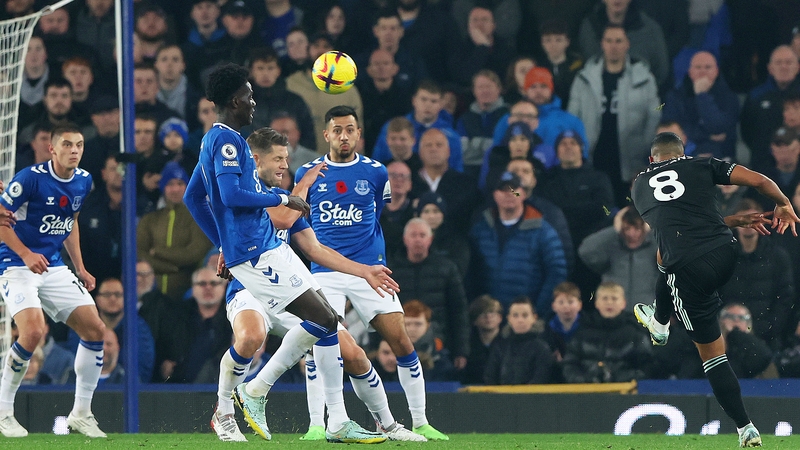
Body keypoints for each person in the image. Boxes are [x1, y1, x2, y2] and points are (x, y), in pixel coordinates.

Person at [182, 65, 383, 444]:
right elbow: (230, 197)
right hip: (256, 252)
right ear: (233, 101)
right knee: (321, 320)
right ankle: (254, 391)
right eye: (248, 96)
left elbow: (193, 197)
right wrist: (282, 197)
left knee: (328, 321)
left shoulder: (217, 141)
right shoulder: (227, 144)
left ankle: (335, 421)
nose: (253, 103)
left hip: (266, 246)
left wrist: (223, 242)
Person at [215, 126, 423, 443]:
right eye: (279, 158)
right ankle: (226, 411)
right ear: (256, 159)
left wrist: (364, 270)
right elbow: (280, 217)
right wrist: (303, 184)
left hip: (285, 288)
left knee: (351, 351)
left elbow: (315, 249)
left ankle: (385, 424)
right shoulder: (249, 194)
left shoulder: (286, 199)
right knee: (252, 336)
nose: (286, 165)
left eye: (287, 158)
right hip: (249, 290)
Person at [631, 131, 800, 448]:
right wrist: (783, 203)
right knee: (668, 259)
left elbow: (676, 228)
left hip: (686, 267)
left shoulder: (639, 184)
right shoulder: (702, 164)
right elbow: (759, 180)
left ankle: (746, 427)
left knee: (712, 355)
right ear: (683, 153)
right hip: (725, 253)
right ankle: (661, 320)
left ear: (652, 159)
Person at [295, 105, 450, 441]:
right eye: (337, 130)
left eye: (350, 129)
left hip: (370, 269)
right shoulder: (307, 173)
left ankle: (421, 421)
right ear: (326, 135)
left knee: (401, 340)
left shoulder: (377, 172)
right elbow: (299, 222)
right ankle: (317, 424)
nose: (344, 136)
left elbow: (378, 211)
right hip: (324, 269)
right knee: (323, 341)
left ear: (359, 133)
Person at [0, 123, 107, 438]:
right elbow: (1, 222)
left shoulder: (84, 181)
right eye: (68, 145)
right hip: (15, 264)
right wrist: (25, 254)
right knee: (33, 331)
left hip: (54, 265)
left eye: (79, 145)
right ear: (52, 148)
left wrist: (81, 268)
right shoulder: (30, 179)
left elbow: (70, 222)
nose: (74, 151)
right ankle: (4, 412)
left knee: (96, 330)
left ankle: (82, 414)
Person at [562, 282, 652, 383]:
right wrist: (584, 380)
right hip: (587, 392)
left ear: (623, 303)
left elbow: (647, 367)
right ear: (596, 303)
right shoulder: (582, 332)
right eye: (605, 298)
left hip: (626, 392)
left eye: (614, 298)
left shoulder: (635, 334)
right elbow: (570, 364)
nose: (609, 302)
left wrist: (620, 378)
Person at [578, 206, 659, 310]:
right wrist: (614, 230)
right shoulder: (611, 246)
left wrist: (652, 231)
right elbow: (585, 250)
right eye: (627, 228)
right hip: (615, 312)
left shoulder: (655, 247)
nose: (631, 233)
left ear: (644, 228)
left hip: (647, 313)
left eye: (637, 228)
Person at [484, 296, 554, 385]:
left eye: (525, 315)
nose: (520, 320)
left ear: (534, 318)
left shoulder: (542, 348)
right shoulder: (500, 346)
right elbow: (490, 376)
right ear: (509, 319)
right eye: (515, 315)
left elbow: (541, 378)